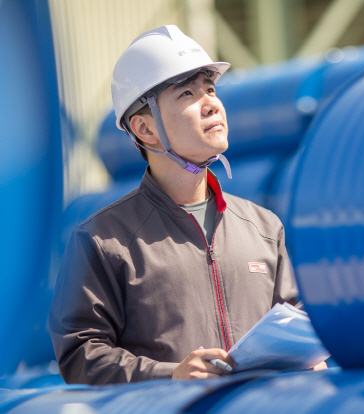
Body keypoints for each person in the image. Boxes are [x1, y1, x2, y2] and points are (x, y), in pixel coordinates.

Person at [48, 25, 302, 384]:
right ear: (145, 129)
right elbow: (80, 357)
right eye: (187, 93)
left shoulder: (263, 227)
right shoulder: (102, 241)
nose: (212, 103)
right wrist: (170, 375)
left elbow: (293, 321)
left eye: (210, 89)